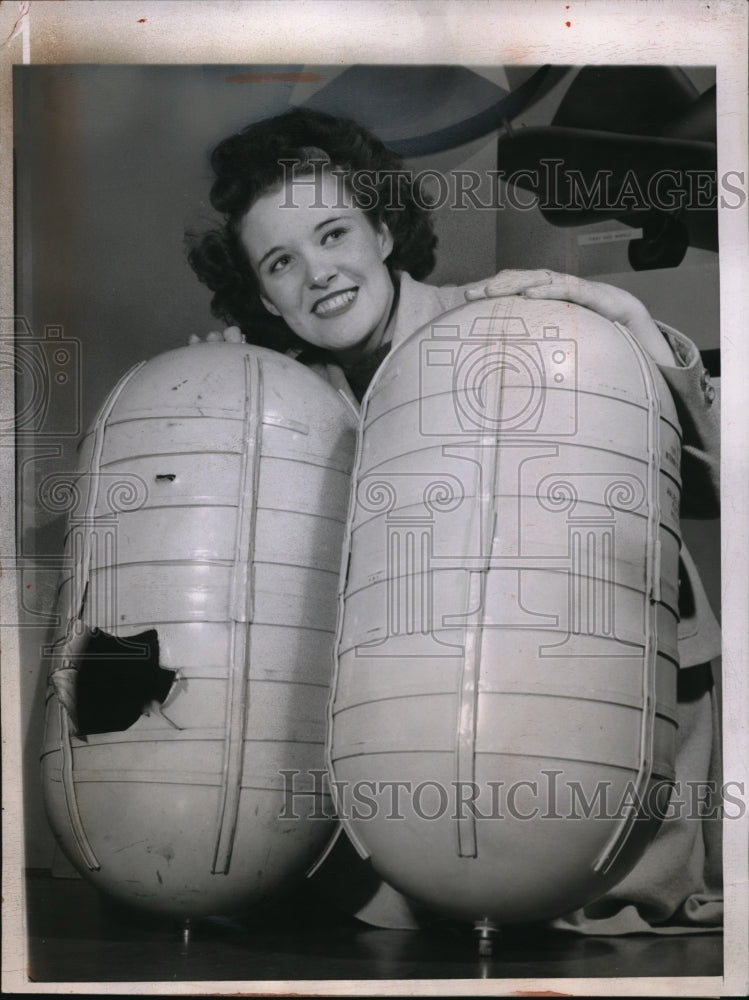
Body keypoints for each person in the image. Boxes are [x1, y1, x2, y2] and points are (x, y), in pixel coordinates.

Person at [187, 107, 722, 935]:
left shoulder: (509, 320)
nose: (318, 274)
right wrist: (233, 407)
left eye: (333, 234)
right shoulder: (291, 400)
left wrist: (633, 328)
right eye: (282, 261)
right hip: (409, 759)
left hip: (596, 714)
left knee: (584, 924)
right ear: (261, 292)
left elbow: (711, 469)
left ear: (383, 231)